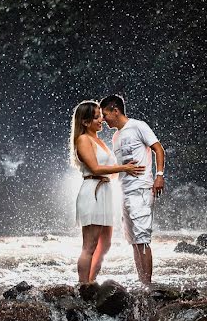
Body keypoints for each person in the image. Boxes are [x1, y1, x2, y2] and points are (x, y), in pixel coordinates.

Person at [71, 100, 145, 283]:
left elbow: (108, 169)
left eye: (101, 116)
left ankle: (92, 281)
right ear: (85, 122)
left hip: (104, 192)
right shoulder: (83, 139)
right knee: (90, 245)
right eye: (96, 117)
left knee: (105, 245)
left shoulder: (98, 140)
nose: (101, 120)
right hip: (92, 192)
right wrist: (123, 168)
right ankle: (83, 286)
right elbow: (95, 169)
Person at [100, 94, 165, 286]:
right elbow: (120, 166)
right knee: (134, 240)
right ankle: (142, 283)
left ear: (115, 110)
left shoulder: (138, 126)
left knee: (143, 238)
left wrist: (159, 175)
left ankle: (148, 285)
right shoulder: (116, 136)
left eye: (105, 114)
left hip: (141, 189)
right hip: (125, 191)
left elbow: (158, 149)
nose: (103, 119)